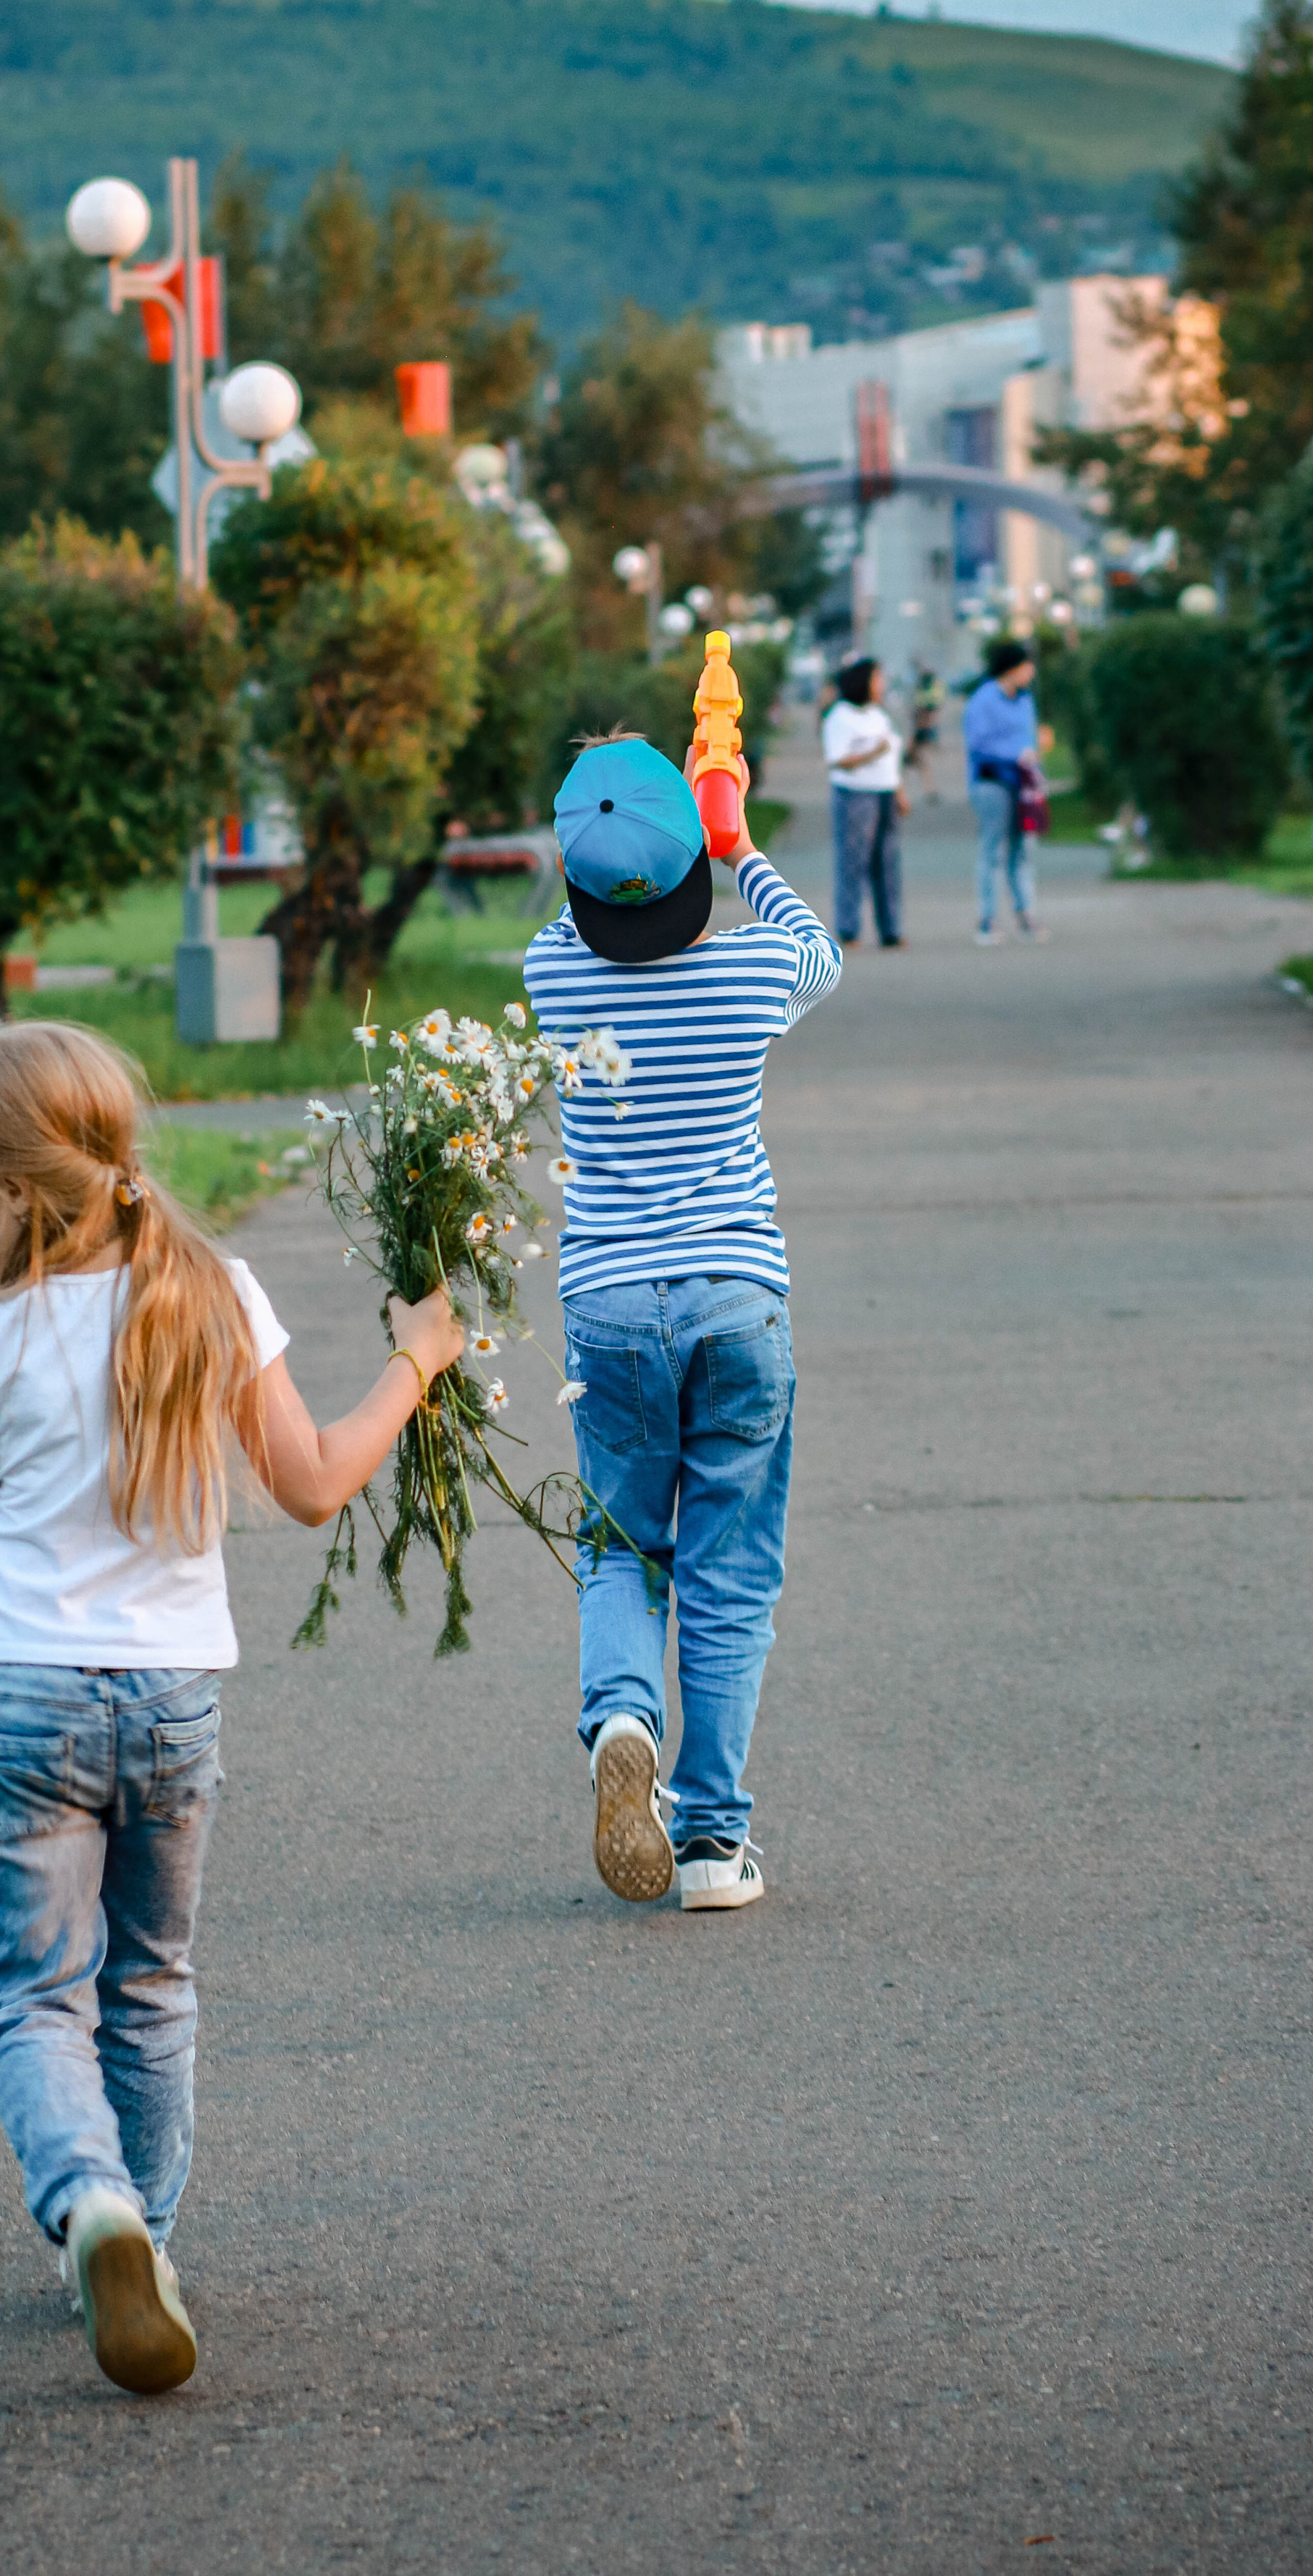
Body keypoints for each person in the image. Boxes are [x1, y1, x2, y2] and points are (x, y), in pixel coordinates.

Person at [0, 1021, 465, 2396]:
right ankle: (144, 2234)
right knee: (149, 1988)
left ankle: (91, 2205)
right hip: (169, 1704)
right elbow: (314, 1482)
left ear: (14, 1189)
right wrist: (419, 1361)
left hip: (18, 1699)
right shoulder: (214, 1292)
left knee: (35, 1999)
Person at [523, 731, 842, 1916]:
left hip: (608, 1304)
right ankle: (713, 1840)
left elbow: (589, 907)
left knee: (620, 1543)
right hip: (737, 1298)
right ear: (697, 870)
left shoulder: (552, 972)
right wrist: (736, 837)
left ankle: (621, 1719)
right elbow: (822, 953)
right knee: (729, 1571)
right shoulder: (752, 975)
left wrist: (624, 843)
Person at [821, 655, 907, 949]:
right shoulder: (840, 717)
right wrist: (873, 753)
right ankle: (849, 929)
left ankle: (891, 930)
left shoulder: (878, 715)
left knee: (887, 864)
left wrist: (899, 792)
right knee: (853, 863)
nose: (882, 685)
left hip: (885, 793)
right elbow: (838, 760)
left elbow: (892, 758)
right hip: (855, 795)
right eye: (877, 679)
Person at [962, 639, 1046, 944]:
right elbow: (978, 744)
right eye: (1026, 666)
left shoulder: (1025, 700)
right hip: (992, 782)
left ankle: (1026, 916)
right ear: (1011, 668)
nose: (1031, 672)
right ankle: (987, 920)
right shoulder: (984, 700)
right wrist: (1014, 755)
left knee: (1021, 850)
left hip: (1021, 783)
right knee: (992, 850)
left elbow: (1030, 738)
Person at [907, 666, 944, 800]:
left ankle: (929, 789)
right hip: (923, 730)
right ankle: (929, 789)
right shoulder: (933, 692)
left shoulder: (923, 693)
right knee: (922, 762)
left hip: (922, 730)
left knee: (922, 762)